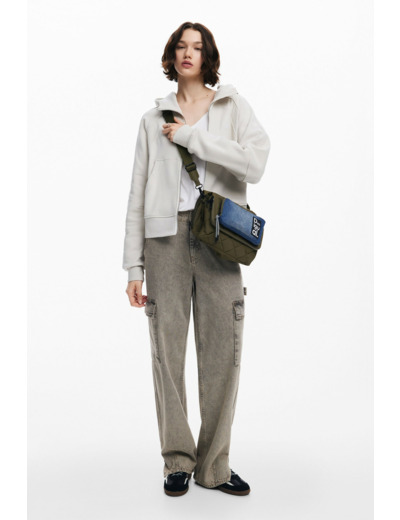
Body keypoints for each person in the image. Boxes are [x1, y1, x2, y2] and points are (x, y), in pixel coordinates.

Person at [122, 21, 271, 497]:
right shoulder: (152, 119)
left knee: (223, 353)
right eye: (181, 47)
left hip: (219, 237)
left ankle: (214, 466)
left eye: (198, 47)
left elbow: (255, 164)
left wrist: (192, 138)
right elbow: (137, 194)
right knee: (166, 354)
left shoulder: (231, 106)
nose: (189, 53)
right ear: (172, 56)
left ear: (208, 57)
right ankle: (177, 461)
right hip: (164, 240)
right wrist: (133, 266)